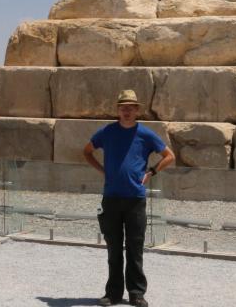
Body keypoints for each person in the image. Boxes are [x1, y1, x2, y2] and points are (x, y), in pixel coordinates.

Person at [83, 89, 175, 307]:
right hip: (111, 198)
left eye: (130, 107)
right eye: (123, 107)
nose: (126, 111)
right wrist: (103, 170)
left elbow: (170, 156)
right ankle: (113, 294)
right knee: (114, 248)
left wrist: (152, 172)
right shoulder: (107, 132)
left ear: (136, 110)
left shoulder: (145, 134)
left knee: (135, 248)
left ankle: (136, 293)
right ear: (118, 109)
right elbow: (87, 151)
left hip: (135, 198)